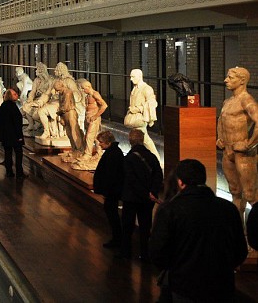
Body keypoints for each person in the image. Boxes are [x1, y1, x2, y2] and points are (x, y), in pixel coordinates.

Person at [149, 159, 247, 303]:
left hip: (184, 285)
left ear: (180, 182)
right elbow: (240, 250)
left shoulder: (170, 209)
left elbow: (158, 252)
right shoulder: (228, 208)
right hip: (222, 285)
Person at [217, 66, 258, 217]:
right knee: (235, 191)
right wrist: (220, 138)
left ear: (242, 81)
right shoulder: (228, 101)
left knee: (250, 194)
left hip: (243, 154)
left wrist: (249, 144)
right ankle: (239, 230)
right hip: (228, 151)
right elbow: (221, 120)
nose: (225, 80)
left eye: (230, 77)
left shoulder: (246, 100)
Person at [118, 128, 163, 261]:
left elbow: (131, 179)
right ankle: (145, 253)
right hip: (147, 200)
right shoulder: (152, 156)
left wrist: (144, 193)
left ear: (130, 141)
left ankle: (126, 252)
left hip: (131, 198)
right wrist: (152, 192)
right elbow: (158, 175)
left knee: (127, 226)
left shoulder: (129, 158)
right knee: (145, 227)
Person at [92, 130, 124, 249]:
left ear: (108, 142)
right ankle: (116, 239)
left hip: (112, 193)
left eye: (101, 142)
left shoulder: (113, 154)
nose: (99, 144)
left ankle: (117, 240)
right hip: (111, 192)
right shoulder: (113, 152)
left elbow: (111, 175)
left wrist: (106, 191)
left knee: (113, 216)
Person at [125, 69, 161, 164]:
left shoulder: (146, 89)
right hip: (134, 118)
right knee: (138, 139)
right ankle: (142, 158)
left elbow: (153, 103)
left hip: (140, 118)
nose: (131, 79)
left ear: (139, 76)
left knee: (145, 139)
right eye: (131, 77)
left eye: (133, 77)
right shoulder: (135, 88)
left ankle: (156, 159)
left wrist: (138, 108)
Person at [0, 89, 25, 178]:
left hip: (6, 135)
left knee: (8, 153)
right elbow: (17, 122)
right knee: (18, 153)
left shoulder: (4, 105)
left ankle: (9, 172)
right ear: (10, 96)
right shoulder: (12, 106)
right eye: (14, 94)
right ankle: (19, 173)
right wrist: (19, 136)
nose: (17, 95)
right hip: (14, 135)